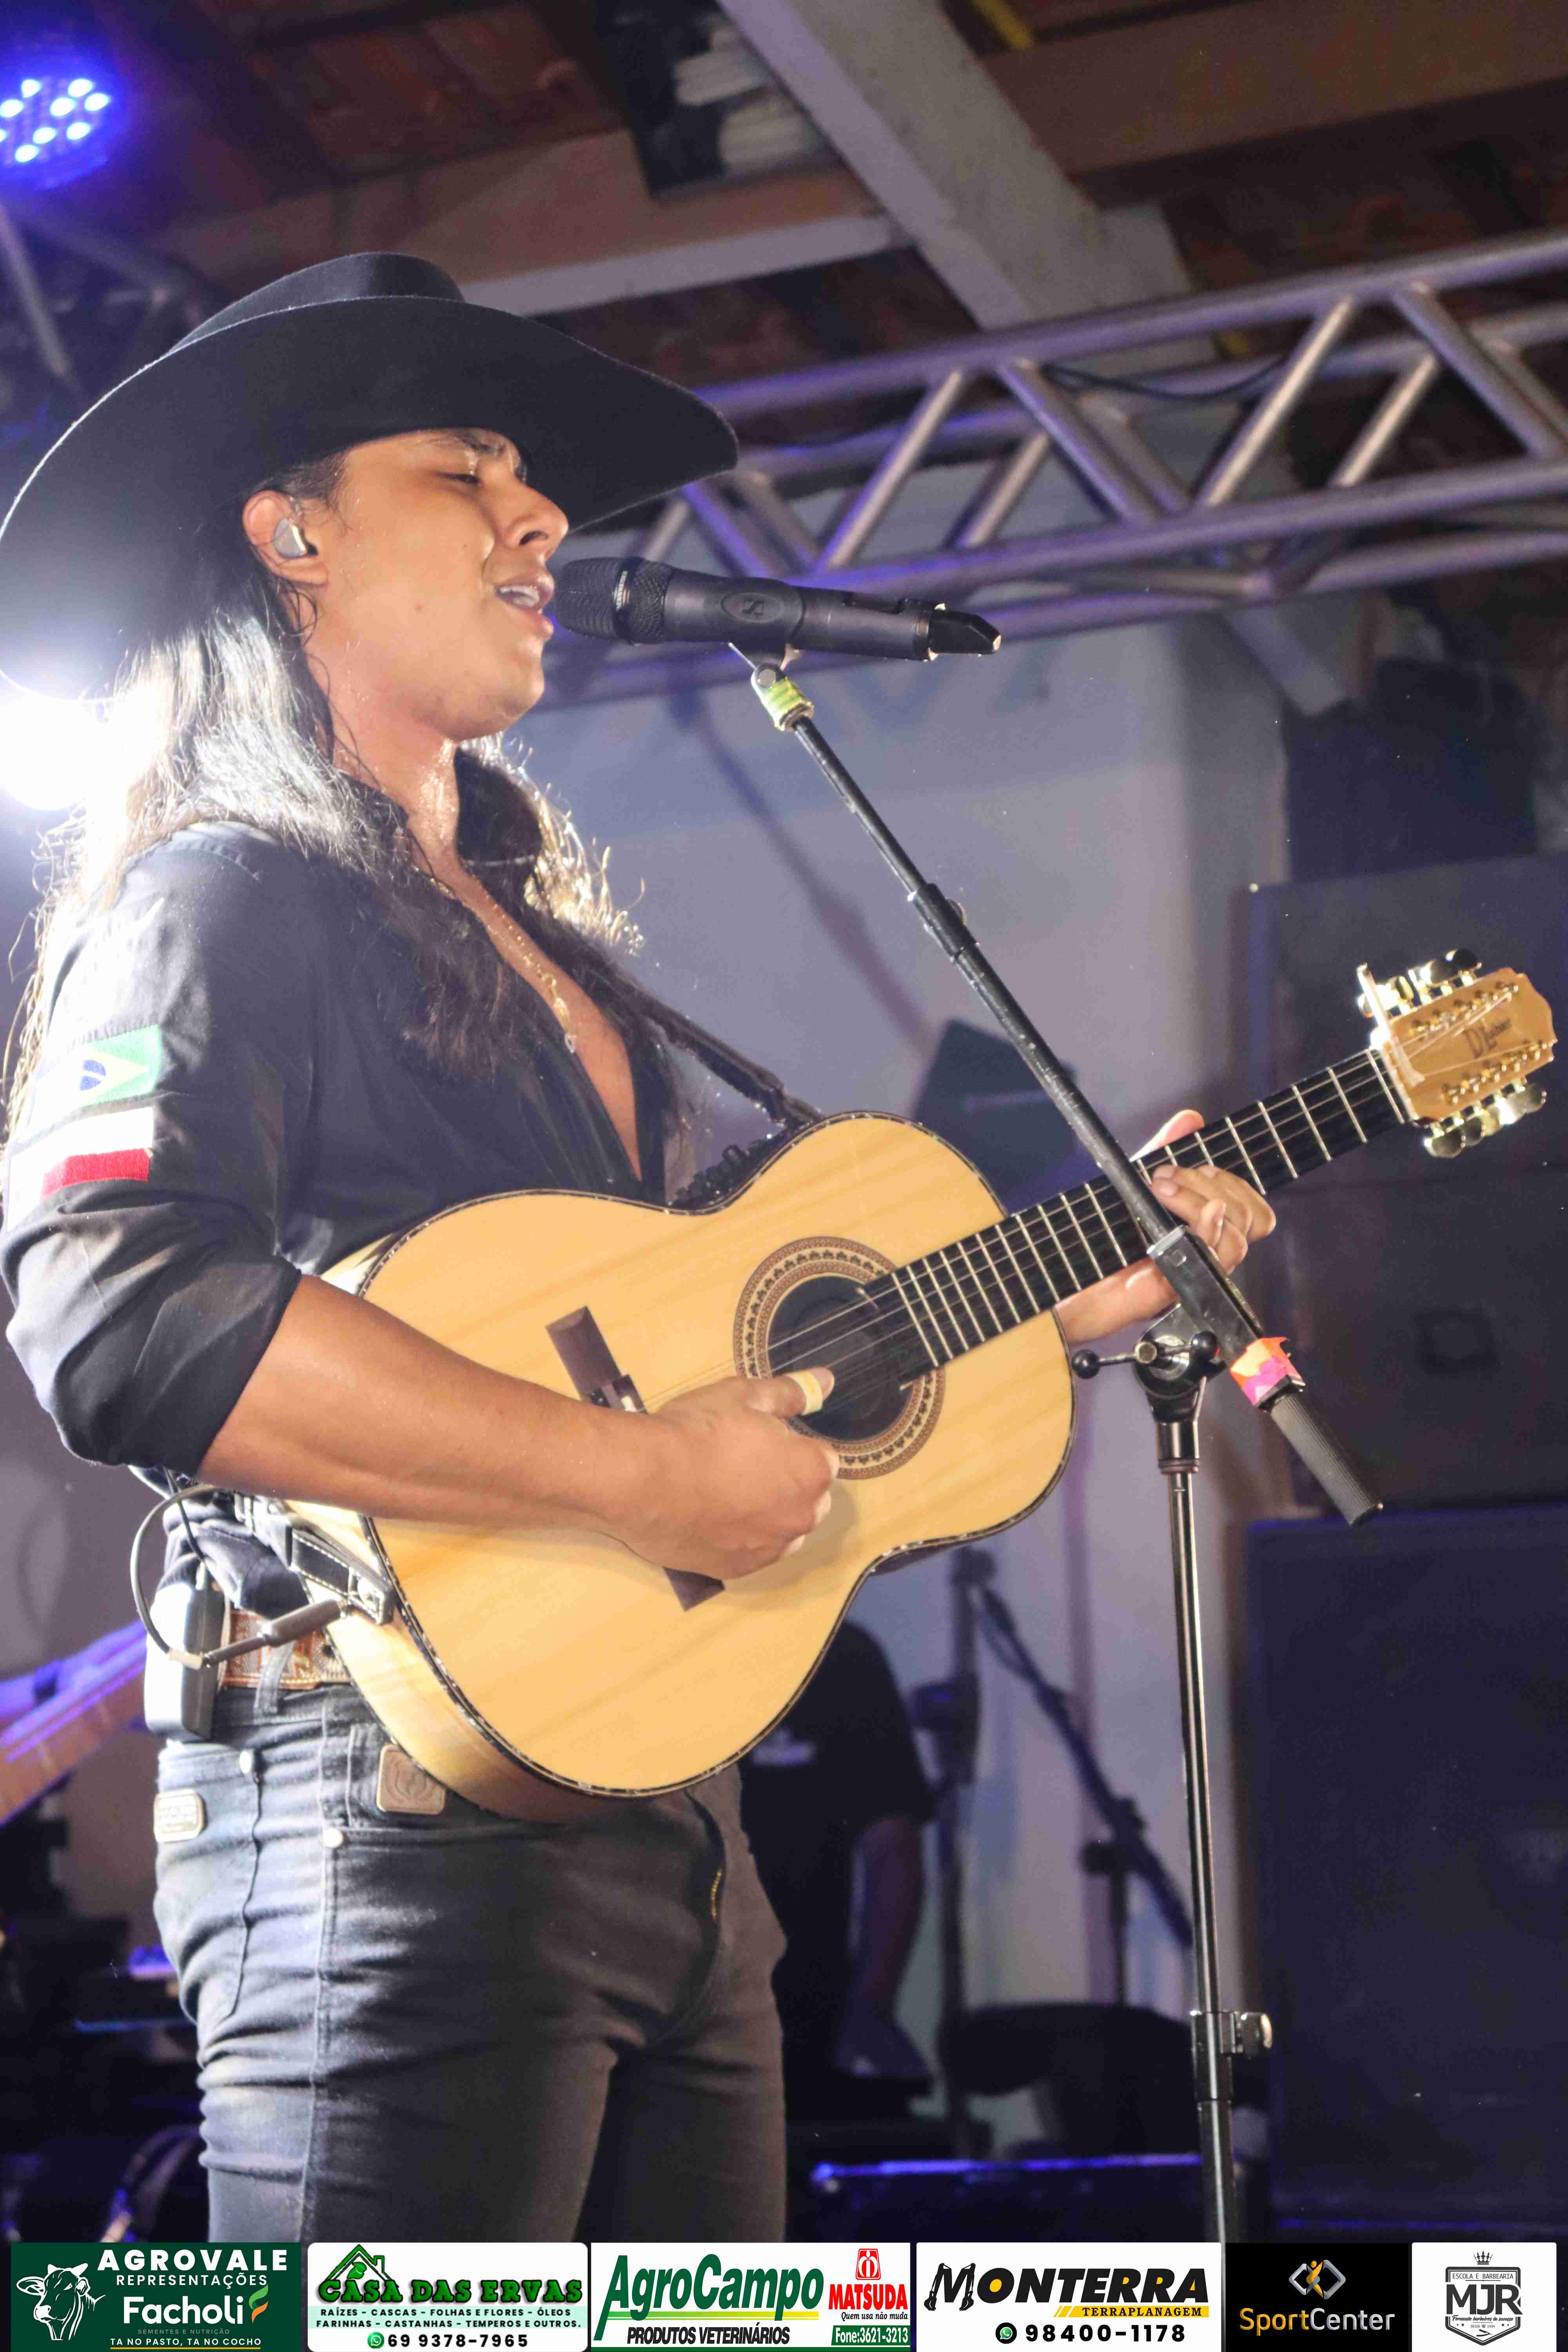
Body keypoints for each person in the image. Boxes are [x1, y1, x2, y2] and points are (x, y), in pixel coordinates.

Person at [0, 253, 1275, 2241]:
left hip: (674, 1815)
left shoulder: (547, 953)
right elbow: (117, 1309)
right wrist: (636, 1473)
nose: (538, 521)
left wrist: (1057, 1304)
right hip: (382, 1815)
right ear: (293, 534)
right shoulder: (217, 895)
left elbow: (721, 1381)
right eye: (464, 473)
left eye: (532, 484)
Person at [740, 1621, 933, 2121]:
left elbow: (892, 1848)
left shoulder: (839, 1654)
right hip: (659, 2020)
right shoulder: (640, 1653)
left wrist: (870, 2012)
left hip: (807, 2018)